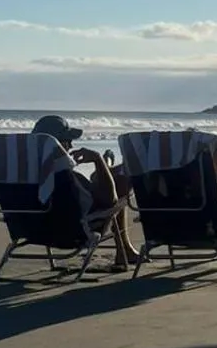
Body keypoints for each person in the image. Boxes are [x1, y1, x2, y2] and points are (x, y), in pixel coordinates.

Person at [31, 115, 138, 272]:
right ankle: (105, 166)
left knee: (102, 180)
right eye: (68, 140)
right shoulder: (67, 178)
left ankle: (105, 169)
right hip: (74, 232)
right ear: (58, 144)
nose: (71, 145)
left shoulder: (20, 176)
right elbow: (110, 200)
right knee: (121, 182)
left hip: (33, 229)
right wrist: (97, 159)